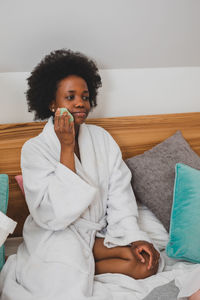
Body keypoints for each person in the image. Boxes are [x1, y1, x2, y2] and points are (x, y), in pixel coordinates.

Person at [0, 49, 160, 300]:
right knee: (66, 277)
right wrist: (66, 147)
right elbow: (50, 214)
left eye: (85, 97)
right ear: (52, 103)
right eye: (70, 97)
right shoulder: (35, 149)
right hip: (57, 233)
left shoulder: (102, 139)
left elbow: (120, 194)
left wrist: (133, 236)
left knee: (146, 264)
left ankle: (87, 266)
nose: (80, 104)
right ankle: (76, 266)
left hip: (93, 233)